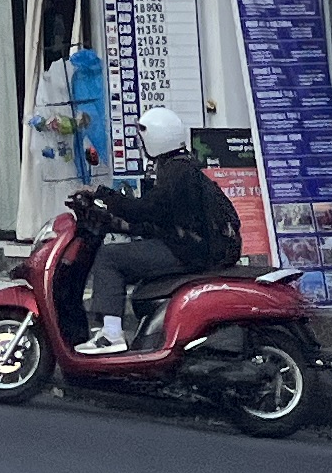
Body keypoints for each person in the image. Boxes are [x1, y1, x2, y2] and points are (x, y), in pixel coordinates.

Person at [68, 106, 245, 353]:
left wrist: (103, 195)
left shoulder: (176, 172)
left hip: (190, 251)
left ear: (155, 138)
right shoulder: (180, 167)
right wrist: (116, 222)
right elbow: (159, 219)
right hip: (193, 247)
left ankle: (111, 335)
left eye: (143, 139)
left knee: (110, 258)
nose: (141, 145)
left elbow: (144, 210)